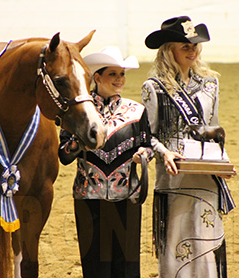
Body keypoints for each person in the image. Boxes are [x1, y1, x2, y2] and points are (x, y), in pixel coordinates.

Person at [141, 16, 236, 277]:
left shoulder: (210, 84)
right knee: (176, 243)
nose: (192, 50)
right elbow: (147, 135)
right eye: (185, 46)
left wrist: (223, 163)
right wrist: (164, 152)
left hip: (206, 176)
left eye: (195, 45)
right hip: (173, 177)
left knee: (206, 241)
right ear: (169, 50)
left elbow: (214, 129)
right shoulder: (154, 88)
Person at [58, 46, 154, 278]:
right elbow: (63, 155)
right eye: (113, 74)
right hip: (89, 198)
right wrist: (81, 141)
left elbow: (148, 144)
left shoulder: (137, 112)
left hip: (127, 198)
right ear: (97, 77)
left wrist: (144, 154)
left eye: (122, 74)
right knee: (94, 266)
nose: (119, 79)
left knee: (127, 265)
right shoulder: (78, 113)